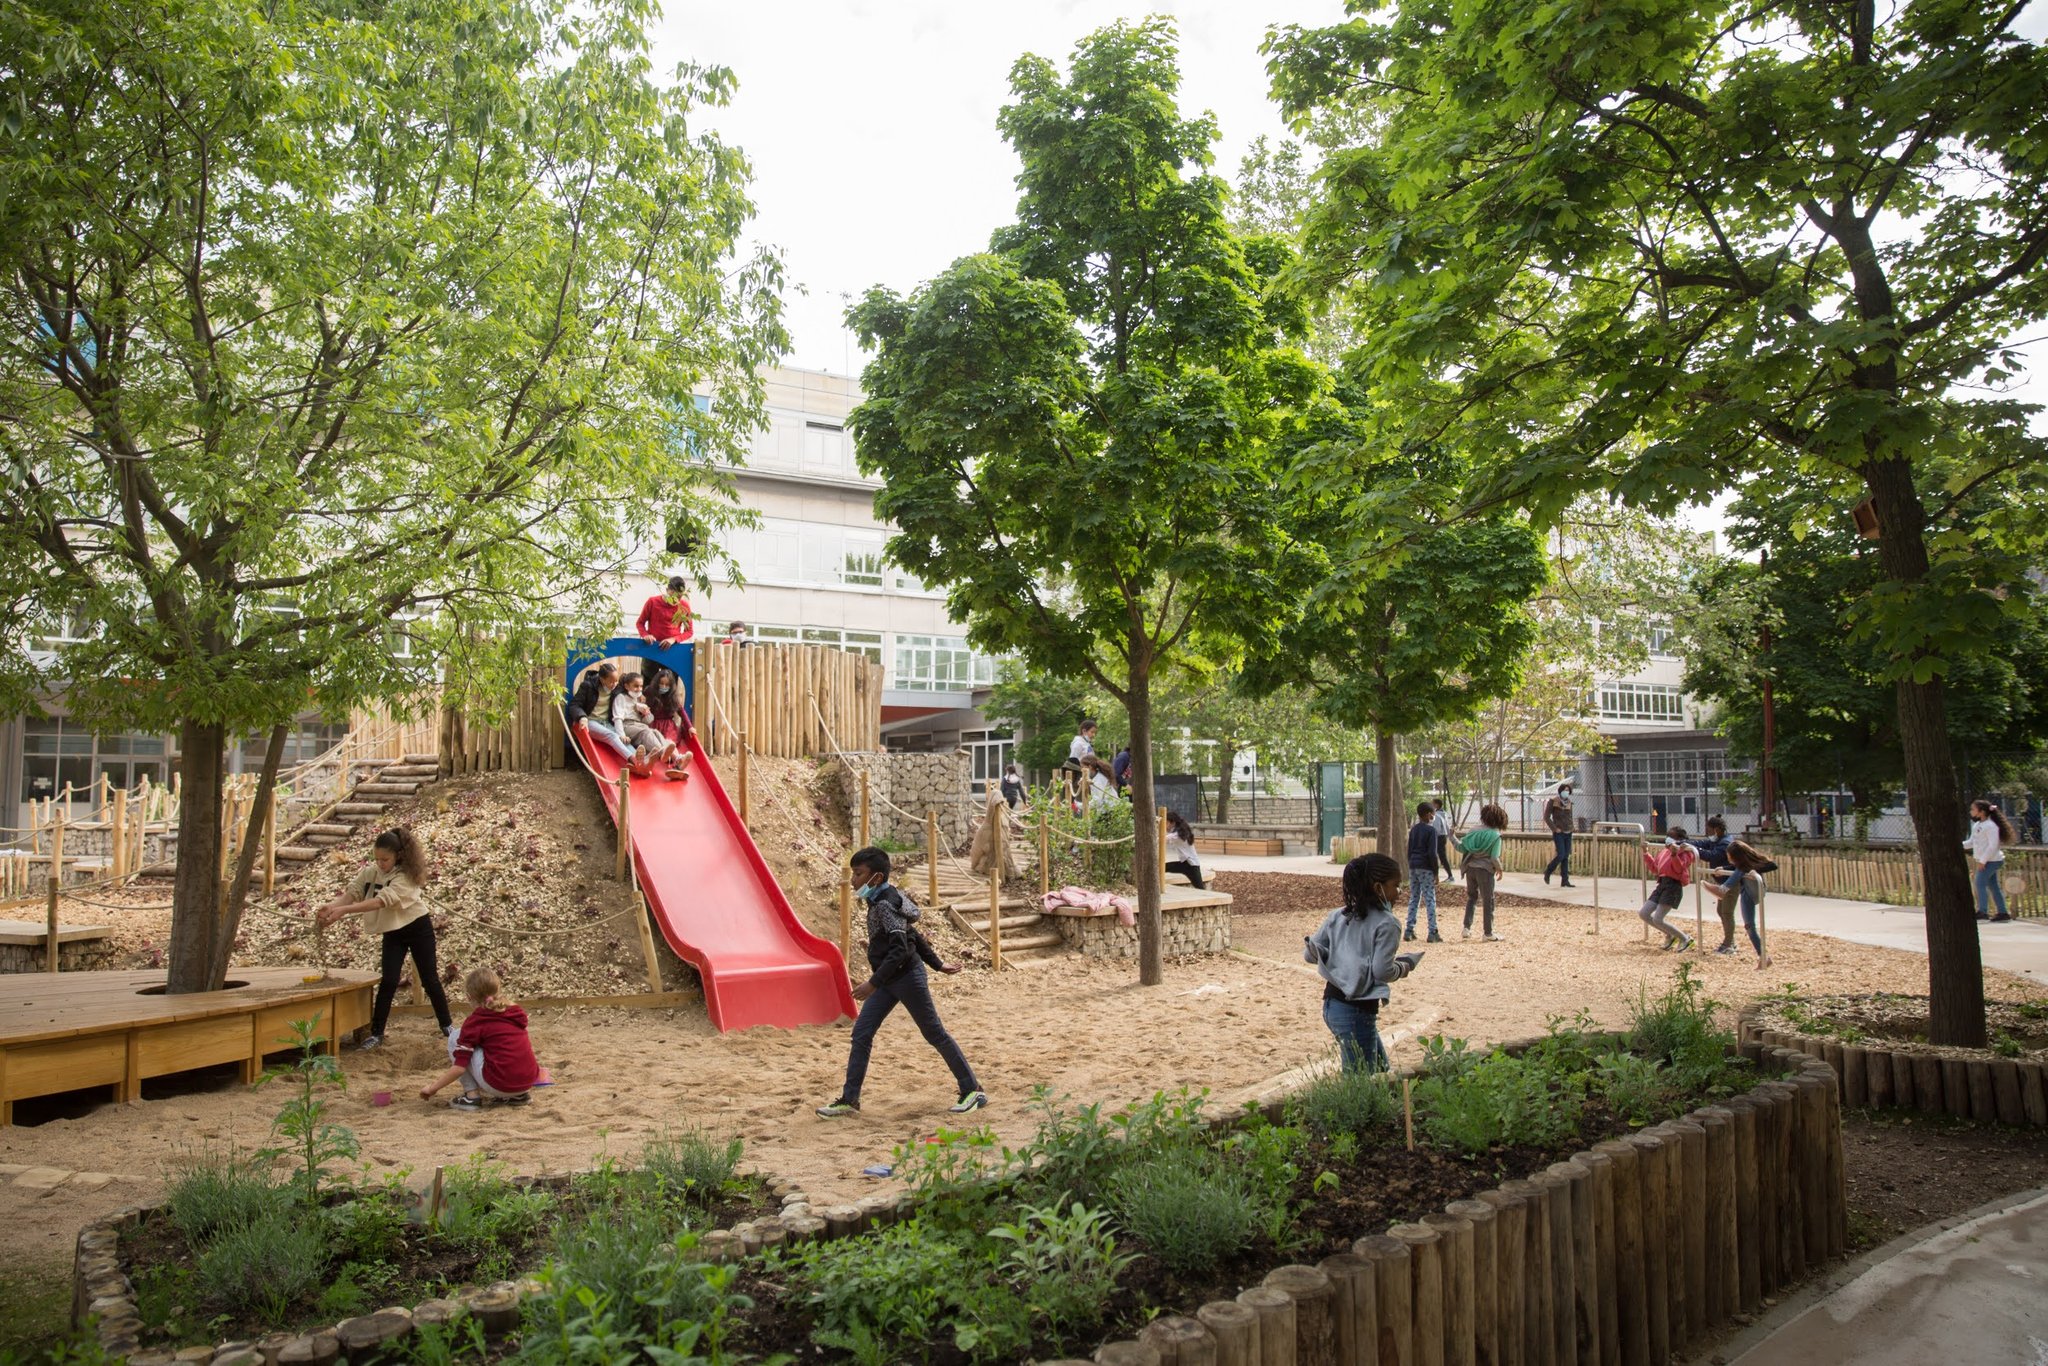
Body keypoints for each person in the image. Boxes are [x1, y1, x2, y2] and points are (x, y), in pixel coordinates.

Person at [817, 847, 988, 1118]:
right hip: (888, 980)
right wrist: (938, 964)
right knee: (862, 1033)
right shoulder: (881, 898)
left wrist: (873, 983)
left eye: (858, 874)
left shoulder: (885, 903)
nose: (853, 880)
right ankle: (850, 1100)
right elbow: (914, 934)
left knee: (934, 1033)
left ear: (876, 877)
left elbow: (899, 949)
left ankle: (972, 1089)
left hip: (907, 978)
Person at [317, 828, 452, 1051]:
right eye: (377, 859)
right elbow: (353, 893)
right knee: (389, 980)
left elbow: (380, 902)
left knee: (430, 979)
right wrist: (332, 906)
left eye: (385, 859)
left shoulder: (406, 877)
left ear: (398, 856)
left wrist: (344, 912)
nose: (380, 863)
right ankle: (377, 1032)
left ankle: (447, 1026)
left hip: (417, 927)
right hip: (393, 931)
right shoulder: (371, 872)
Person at [1304, 852, 1424, 1073]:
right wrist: (1405, 966)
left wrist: (1334, 954)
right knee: (1360, 1081)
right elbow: (1382, 971)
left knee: (1380, 1070)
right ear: (1379, 888)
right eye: (1395, 885)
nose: (1399, 892)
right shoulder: (1388, 924)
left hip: (1332, 1005)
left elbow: (1309, 955)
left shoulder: (1337, 916)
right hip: (1356, 1011)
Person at [420, 967, 540, 1110]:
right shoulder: (515, 1011)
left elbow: (459, 1067)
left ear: (469, 997)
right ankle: (517, 1096)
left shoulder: (476, 1022)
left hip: (499, 1085)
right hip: (528, 1080)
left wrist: (432, 1088)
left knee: (455, 1036)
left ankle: (471, 1097)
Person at [1705, 839, 1774, 970]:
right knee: (1749, 926)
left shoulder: (1749, 863)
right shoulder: (1741, 865)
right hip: (1746, 893)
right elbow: (1736, 868)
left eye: (1729, 856)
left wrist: (1755, 870)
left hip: (1757, 889)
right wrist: (1724, 868)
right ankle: (1763, 957)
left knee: (1743, 867)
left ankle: (1723, 890)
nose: (1727, 857)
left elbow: (1772, 865)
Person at [609, 671, 691, 780]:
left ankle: (677, 759)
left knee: (655, 732)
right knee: (646, 732)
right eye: (635, 686)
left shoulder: (639, 699)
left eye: (640, 686)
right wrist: (621, 735)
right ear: (626, 686)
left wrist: (646, 713)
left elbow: (647, 721)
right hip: (627, 726)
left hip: (639, 726)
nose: (638, 689)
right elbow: (618, 718)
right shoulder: (621, 698)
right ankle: (664, 753)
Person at [1637, 828, 1698, 952]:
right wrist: (1646, 853)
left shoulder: (1686, 852)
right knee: (1644, 913)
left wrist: (1675, 854)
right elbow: (1655, 868)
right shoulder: (1665, 851)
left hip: (1673, 886)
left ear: (1679, 839)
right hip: (1662, 884)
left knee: (1658, 918)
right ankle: (1669, 935)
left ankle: (1685, 938)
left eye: (1671, 836)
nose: (1667, 839)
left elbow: (1679, 869)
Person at [1687, 817, 1739, 954]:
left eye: (1709, 830)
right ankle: (1730, 941)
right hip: (1723, 882)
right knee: (1721, 911)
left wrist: (1693, 849)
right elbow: (1702, 843)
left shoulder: (1725, 843)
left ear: (1716, 829)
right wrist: (1683, 843)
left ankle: (1729, 945)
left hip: (1731, 882)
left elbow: (1712, 856)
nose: (1707, 832)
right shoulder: (1718, 840)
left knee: (1727, 913)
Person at [1457, 803, 1508, 941]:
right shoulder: (1495, 835)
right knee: (1488, 900)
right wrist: (1499, 868)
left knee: (1472, 897)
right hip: (1485, 871)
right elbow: (1494, 857)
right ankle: (1488, 933)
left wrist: (1452, 837)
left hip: (1470, 869)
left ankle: (1466, 928)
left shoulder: (1473, 830)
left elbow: (1462, 848)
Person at [565, 663, 633, 761]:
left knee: (621, 738)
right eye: (611, 682)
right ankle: (632, 759)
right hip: (591, 721)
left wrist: (639, 697)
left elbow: (629, 692)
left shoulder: (616, 688)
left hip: (606, 722)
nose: (614, 685)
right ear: (602, 679)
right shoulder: (588, 686)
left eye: (616, 681)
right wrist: (582, 717)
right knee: (612, 736)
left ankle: (640, 761)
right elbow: (574, 705)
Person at [1968, 799, 2016, 923]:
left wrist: (1983, 861)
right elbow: (1971, 842)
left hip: (1993, 861)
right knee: (1993, 886)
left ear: (1981, 812)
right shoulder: (1977, 825)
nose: (1971, 811)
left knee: (1979, 883)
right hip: (1985, 861)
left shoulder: (1991, 826)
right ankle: (2003, 913)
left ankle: (1983, 911)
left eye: (1973, 809)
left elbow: (1993, 846)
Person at [1404, 802, 1444, 943]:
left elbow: (1409, 849)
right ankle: (1432, 931)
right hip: (1426, 867)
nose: (1434, 816)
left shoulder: (1414, 829)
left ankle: (1409, 929)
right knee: (1429, 898)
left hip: (1413, 866)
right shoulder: (1431, 831)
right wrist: (1436, 871)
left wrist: (1411, 863)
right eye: (1433, 813)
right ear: (1428, 814)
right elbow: (1432, 853)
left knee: (1414, 897)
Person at [636, 575, 694, 647]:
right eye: (673, 596)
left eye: (679, 597)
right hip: (651, 647)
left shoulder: (684, 607)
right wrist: (645, 635)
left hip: (673, 649)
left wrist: (673, 639)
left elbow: (689, 631)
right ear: (667, 590)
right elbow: (640, 623)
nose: (675, 600)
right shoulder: (652, 602)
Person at [645, 665, 695, 749]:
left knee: (669, 740)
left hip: (668, 726)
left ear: (671, 686)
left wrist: (689, 727)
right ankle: (661, 752)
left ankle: (669, 753)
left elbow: (681, 711)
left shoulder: (672, 697)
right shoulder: (650, 693)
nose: (664, 687)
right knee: (654, 740)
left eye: (667, 685)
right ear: (657, 683)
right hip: (654, 724)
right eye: (661, 684)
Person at [1542, 783, 1576, 887]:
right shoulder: (1553, 801)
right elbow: (1546, 817)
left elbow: (1570, 816)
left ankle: (1565, 880)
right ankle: (1548, 871)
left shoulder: (1569, 802)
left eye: (1568, 791)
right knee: (1561, 855)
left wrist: (1572, 827)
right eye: (1564, 790)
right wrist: (1554, 828)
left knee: (1566, 856)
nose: (1566, 792)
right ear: (1560, 791)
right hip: (1559, 832)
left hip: (1568, 831)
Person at [1165, 808, 1205, 890]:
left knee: (1200, 889)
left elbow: (1164, 838)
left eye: (1166, 823)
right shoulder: (1180, 831)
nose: (1165, 825)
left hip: (1191, 865)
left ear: (1172, 822)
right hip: (1185, 863)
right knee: (1162, 867)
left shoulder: (1178, 835)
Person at [1429, 801, 1457, 883]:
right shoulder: (1443, 814)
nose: (1431, 805)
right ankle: (1448, 876)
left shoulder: (1437, 816)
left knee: (1438, 857)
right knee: (1441, 857)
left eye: (1433, 803)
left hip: (1438, 837)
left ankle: (1448, 876)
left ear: (1437, 805)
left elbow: (1436, 829)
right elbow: (1447, 826)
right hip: (1442, 836)